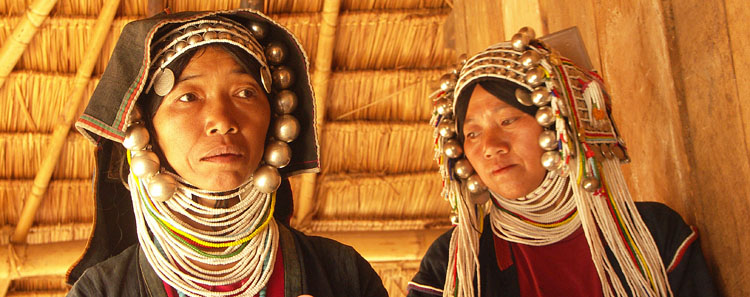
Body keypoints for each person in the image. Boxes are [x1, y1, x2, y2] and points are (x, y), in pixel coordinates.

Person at [66, 9, 388, 297]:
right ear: (145, 128)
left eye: (245, 93)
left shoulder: (342, 274)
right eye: (189, 97)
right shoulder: (101, 291)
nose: (222, 120)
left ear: (275, 119)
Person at [407, 27, 717, 297]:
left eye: (508, 120)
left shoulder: (653, 236)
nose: (491, 147)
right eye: (472, 134)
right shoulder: (453, 268)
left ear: (559, 124)